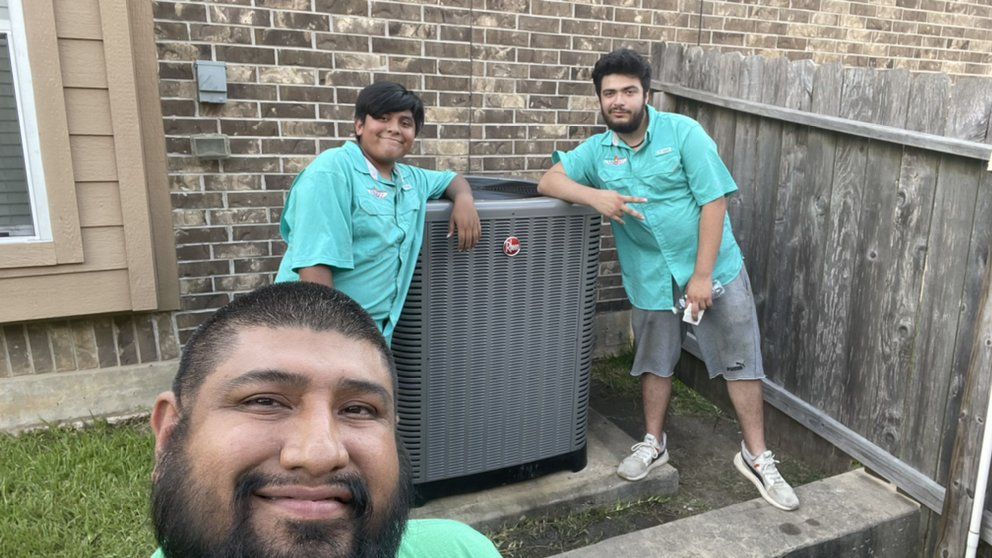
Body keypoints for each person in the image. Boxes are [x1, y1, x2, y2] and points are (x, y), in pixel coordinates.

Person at [537, 48, 799, 511]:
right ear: (600, 99)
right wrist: (595, 196)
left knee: (741, 359)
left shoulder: (683, 134)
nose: (618, 101)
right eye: (609, 93)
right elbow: (549, 181)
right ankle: (654, 443)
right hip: (650, 276)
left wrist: (701, 276)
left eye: (628, 91)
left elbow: (714, 201)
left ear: (646, 94)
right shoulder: (598, 151)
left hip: (713, 268)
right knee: (655, 359)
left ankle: (757, 456)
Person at [149, 282, 503, 557]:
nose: (320, 454)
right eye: (265, 401)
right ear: (170, 434)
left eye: (358, 409)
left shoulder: (462, 550)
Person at [275, 81, 481, 344]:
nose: (394, 129)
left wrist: (464, 200)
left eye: (405, 123)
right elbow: (314, 269)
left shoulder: (408, 179)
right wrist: (329, 345)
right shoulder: (333, 170)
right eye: (383, 118)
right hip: (316, 332)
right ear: (359, 125)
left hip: (371, 335)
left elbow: (451, 179)